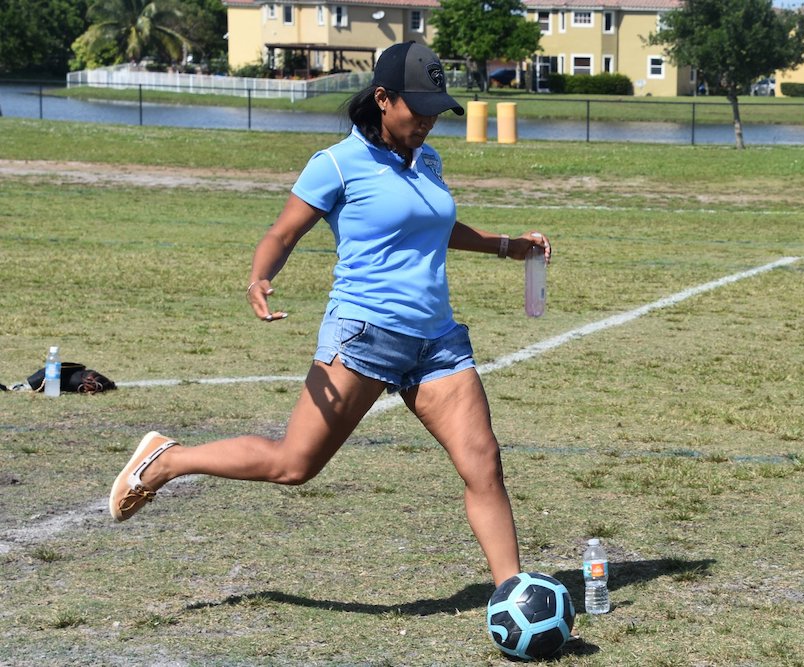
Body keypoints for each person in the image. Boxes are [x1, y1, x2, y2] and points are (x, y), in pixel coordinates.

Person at [109, 41, 551, 588]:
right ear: (384, 99)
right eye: (420, 108)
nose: (431, 121)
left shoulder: (427, 159)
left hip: (436, 339)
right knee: (293, 466)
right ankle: (168, 461)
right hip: (365, 332)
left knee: (483, 462)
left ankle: (513, 591)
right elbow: (283, 232)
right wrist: (260, 277)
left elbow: (434, 226)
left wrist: (508, 246)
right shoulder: (337, 164)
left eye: (438, 109)